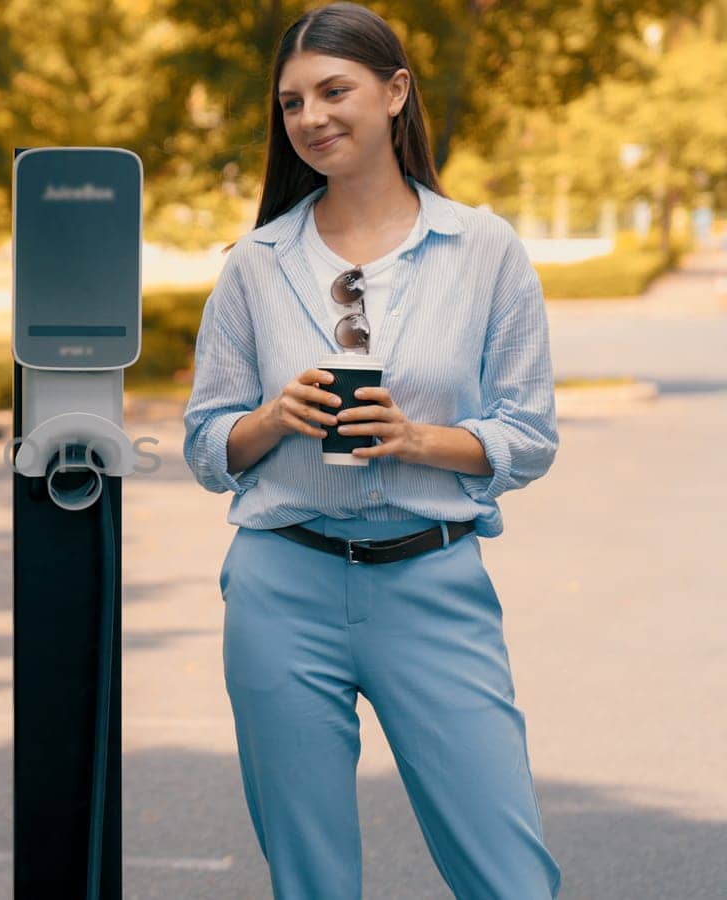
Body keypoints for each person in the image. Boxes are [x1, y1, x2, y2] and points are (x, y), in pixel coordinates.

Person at [183, 4, 562, 898]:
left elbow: (530, 431)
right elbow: (206, 444)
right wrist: (274, 419)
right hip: (283, 584)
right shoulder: (255, 264)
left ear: (395, 93)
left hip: (434, 582)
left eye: (334, 91)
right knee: (310, 880)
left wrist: (418, 439)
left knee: (509, 874)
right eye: (291, 103)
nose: (311, 117)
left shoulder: (483, 249)